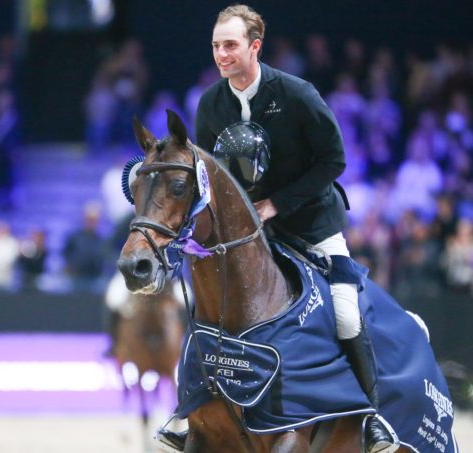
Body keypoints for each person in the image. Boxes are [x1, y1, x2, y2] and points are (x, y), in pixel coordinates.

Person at [157, 5, 399, 453]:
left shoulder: (297, 94)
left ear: (255, 46)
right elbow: (211, 180)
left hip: (310, 224)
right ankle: (187, 413)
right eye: (215, 46)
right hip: (245, 236)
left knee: (345, 310)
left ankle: (371, 418)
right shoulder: (210, 104)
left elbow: (334, 160)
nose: (221, 54)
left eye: (230, 45)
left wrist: (277, 204)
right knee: (204, 315)